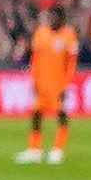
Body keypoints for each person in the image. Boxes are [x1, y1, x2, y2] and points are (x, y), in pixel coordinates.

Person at [20, 13, 81, 166]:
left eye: (56, 18)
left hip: (58, 85)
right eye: (51, 18)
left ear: (62, 19)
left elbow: (71, 64)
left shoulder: (69, 36)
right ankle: (35, 151)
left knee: (61, 115)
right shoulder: (40, 33)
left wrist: (66, 84)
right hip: (41, 84)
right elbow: (34, 60)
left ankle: (58, 149)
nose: (52, 20)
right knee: (36, 114)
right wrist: (34, 80)